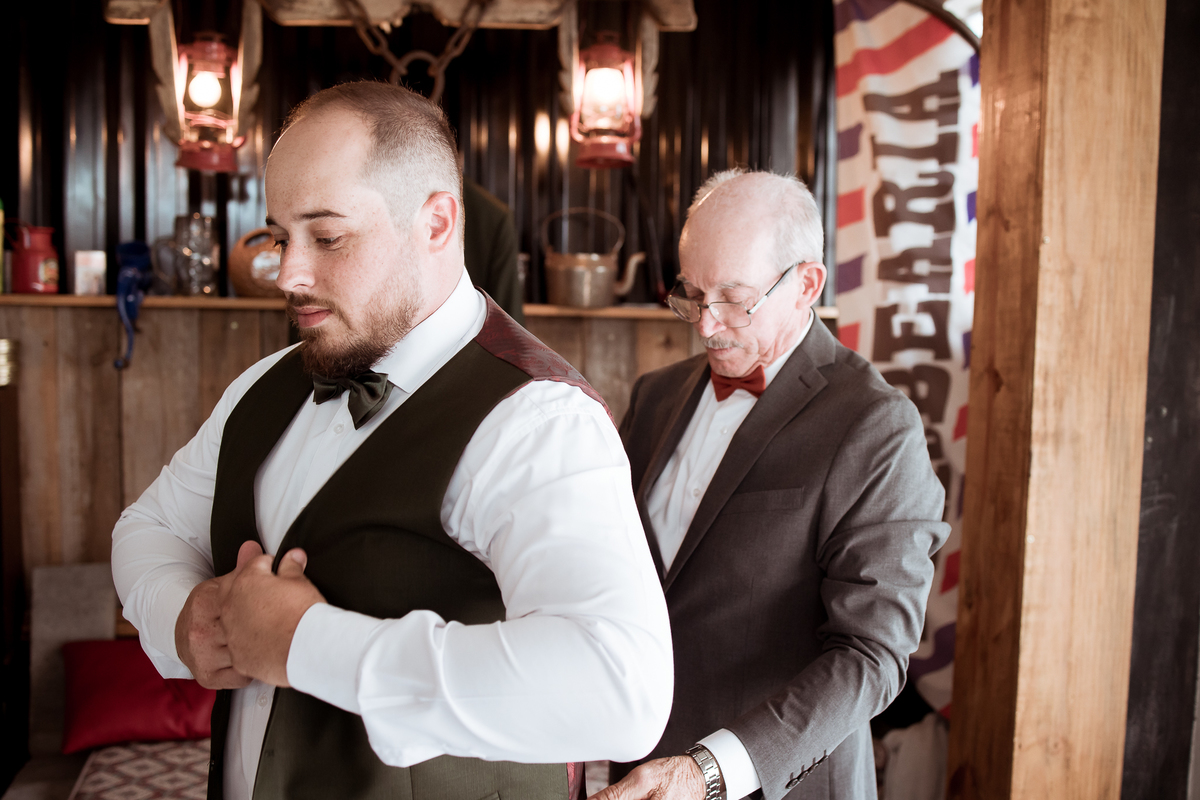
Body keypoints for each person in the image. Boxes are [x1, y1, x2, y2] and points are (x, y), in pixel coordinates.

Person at [111, 81, 673, 800]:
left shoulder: (538, 420)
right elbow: (149, 527)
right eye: (281, 237)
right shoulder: (262, 386)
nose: (288, 274)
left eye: (327, 237)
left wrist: (307, 645)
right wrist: (180, 617)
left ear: (435, 224)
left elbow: (622, 691)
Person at [598, 170, 949, 800]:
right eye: (692, 295)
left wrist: (709, 771)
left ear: (806, 283)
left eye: (734, 299)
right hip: (637, 764)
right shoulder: (655, 395)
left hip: (775, 782)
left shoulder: (875, 424)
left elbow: (871, 656)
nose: (706, 326)